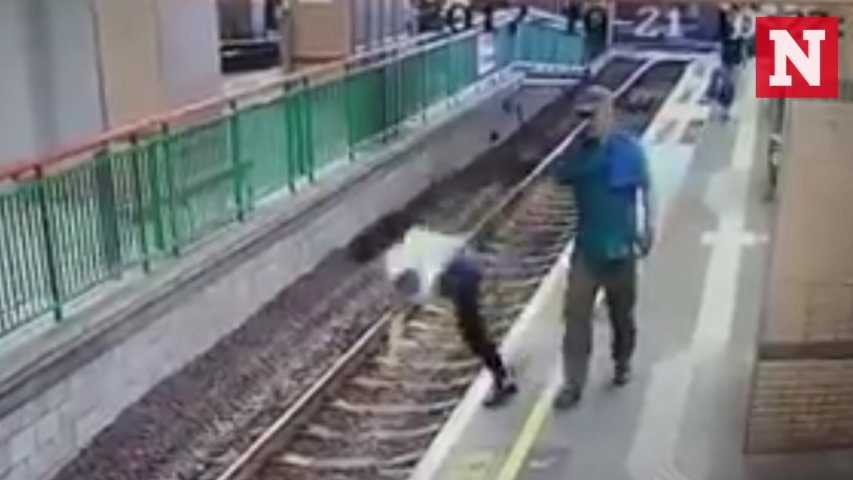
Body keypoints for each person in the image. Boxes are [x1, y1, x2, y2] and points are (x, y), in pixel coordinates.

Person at [550, 86, 656, 410]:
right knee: (575, 317)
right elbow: (558, 176)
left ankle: (622, 361)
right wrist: (574, 142)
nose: (587, 122)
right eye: (581, 116)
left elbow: (646, 187)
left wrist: (649, 225)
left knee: (622, 316)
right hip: (586, 251)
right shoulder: (578, 154)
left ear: (608, 113)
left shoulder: (629, 150)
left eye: (591, 115)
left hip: (621, 251)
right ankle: (573, 383)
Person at [386, 227, 518, 407]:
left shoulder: (416, 267)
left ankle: (503, 377)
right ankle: (501, 370)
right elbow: (399, 313)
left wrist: (393, 354)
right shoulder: (409, 251)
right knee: (473, 331)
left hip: (463, 277)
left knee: (473, 334)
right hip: (464, 270)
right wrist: (393, 353)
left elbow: (402, 309)